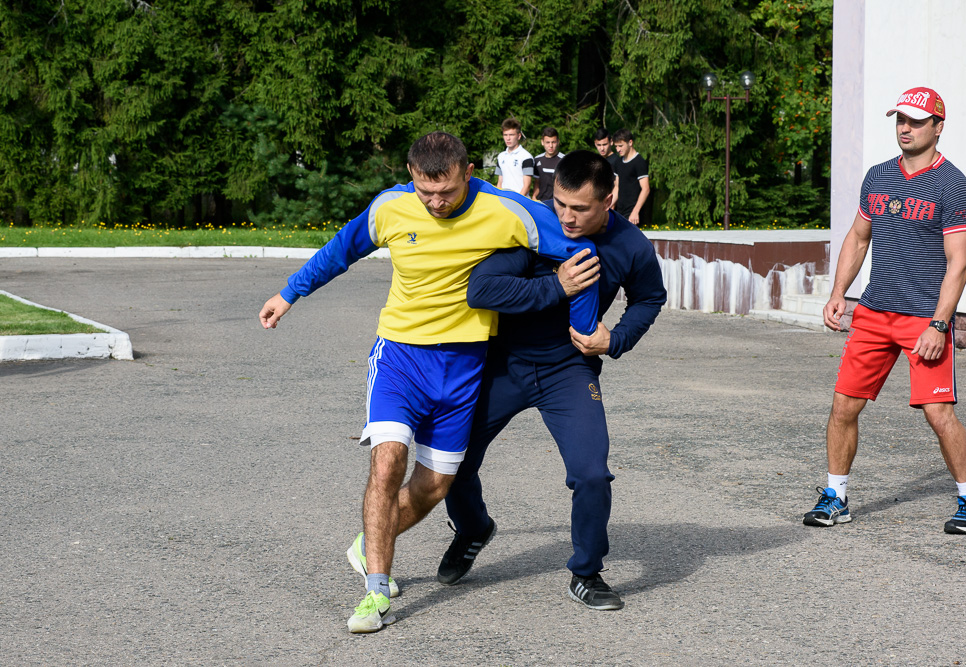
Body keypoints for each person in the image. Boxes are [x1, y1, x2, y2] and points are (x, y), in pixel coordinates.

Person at [258, 131, 600, 633]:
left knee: (435, 486)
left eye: (446, 192)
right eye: (425, 192)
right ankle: (376, 592)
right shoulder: (390, 207)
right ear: (412, 177)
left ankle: (368, 543)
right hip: (399, 357)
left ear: (466, 172)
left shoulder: (509, 211)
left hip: (464, 368)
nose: (436, 203)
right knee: (388, 461)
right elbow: (340, 250)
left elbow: (579, 252)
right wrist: (289, 294)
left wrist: (584, 328)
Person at [435, 150, 667, 610]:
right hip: (504, 364)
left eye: (580, 208)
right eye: (560, 203)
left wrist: (615, 339)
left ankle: (586, 573)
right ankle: (473, 528)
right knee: (452, 461)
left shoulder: (631, 246)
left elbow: (650, 298)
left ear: (610, 198)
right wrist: (556, 285)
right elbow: (482, 290)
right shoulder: (529, 230)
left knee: (592, 474)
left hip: (569, 371)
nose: (566, 217)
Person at [804, 87, 966, 535]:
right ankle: (836, 496)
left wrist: (940, 323)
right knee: (843, 407)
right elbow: (859, 238)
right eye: (900, 119)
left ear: (938, 126)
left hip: (922, 318)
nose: (905, 127)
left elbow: (960, 261)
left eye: (916, 121)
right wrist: (840, 292)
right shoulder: (877, 176)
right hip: (875, 313)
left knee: (938, 414)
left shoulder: (953, 184)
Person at [611, 129, 650, 226]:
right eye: (616, 146)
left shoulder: (639, 162)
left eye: (621, 146)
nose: (618, 149)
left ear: (630, 142)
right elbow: (617, 187)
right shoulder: (618, 162)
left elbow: (646, 189)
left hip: (633, 213)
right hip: (620, 212)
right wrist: (608, 205)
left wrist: (635, 211)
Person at [495, 118, 535, 196]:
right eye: (505, 135)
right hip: (504, 201)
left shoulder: (526, 157)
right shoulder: (501, 156)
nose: (508, 138)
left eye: (511, 135)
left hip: (520, 202)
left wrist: (516, 202)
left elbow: (527, 186)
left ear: (519, 136)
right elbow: (500, 182)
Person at [531, 127, 565, 203]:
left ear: (558, 142)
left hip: (558, 203)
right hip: (541, 202)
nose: (550, 146)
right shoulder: (537, 160)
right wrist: (534, 196)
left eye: (553, 142)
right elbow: (537, 181)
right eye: (547, 142)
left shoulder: (564, 160)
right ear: (542, 142)